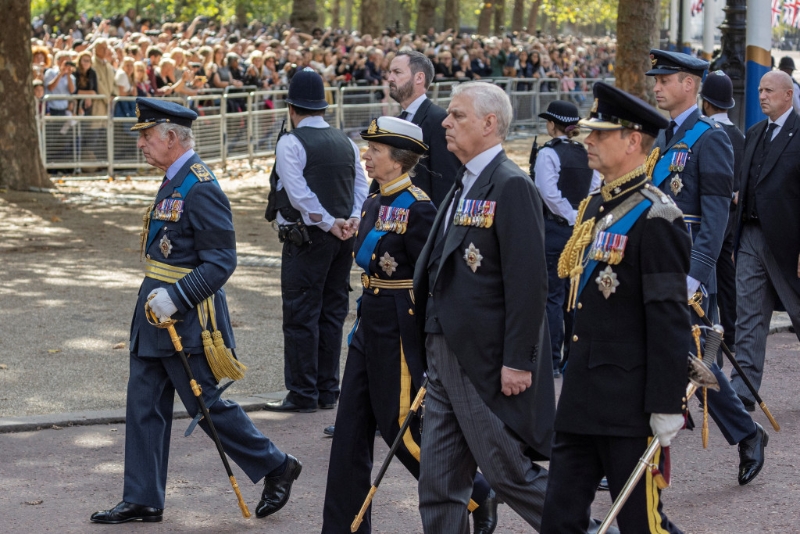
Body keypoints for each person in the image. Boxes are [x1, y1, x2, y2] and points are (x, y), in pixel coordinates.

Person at [90, 98, 301, 524]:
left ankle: (277, 465)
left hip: (185, 319)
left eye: (148, 136)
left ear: (171, 136)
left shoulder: (199, 185)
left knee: (206, 407)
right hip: (155, 314)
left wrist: (177, 297)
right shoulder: (175, 178)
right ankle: (143, 497)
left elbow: (221, 260)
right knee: (143, 405)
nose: (142, 144)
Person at [321, 117, 497, 534]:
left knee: (401, 428)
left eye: (375, 151)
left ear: (398, 160)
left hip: (400, 326)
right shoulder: (372, 198)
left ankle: (477, 492)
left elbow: (433, 280)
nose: (366, 156)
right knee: (349, 433)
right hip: (370, 320)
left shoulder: (419, 208)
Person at [540, 81, 688, 534]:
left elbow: (668, 318)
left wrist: (666, 405)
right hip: (584, 393)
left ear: (632, 141)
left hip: (629, 404)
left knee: (642, 525)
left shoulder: (657, 216)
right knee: (559, 520)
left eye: (601, 134)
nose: (589, 140)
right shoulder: (594, 208)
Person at [413, 81, 554, 532]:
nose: (445, 122)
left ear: (490, 124)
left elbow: (528, 282)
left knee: (509, 475)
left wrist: (518, 360)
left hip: (483, 358)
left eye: (457, 116)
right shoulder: (464, 182)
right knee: (438, 481)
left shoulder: (511, 185)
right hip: (444, 349)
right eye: (448, 115)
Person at [647, 49, 767, 486]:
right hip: (659, 265)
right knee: (673, 359)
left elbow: (716, 218)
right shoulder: (665, 137)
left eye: (667, 78)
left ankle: (747, 433)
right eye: (656, 79)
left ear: (690, 86)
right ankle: (634, 450)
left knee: (694, 361)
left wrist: (695, 275)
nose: (657, 86)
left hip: (689, 270)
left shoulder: (709, 137)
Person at [264, 68, 368, 413]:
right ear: (324, 107)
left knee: (301, 314)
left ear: (292, 108)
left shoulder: (291, 142)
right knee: (332, 312)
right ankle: (327, 389)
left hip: (308, 238)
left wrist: (328, 222)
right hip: (342, 240)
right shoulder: (346, 142)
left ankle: (303, 393)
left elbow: (299, 195)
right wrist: (351, 220)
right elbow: (361, 187)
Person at [733, 70, 800, 420]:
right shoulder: (755, 133)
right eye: (759, 90)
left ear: (788, 95)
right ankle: (742, 391)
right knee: (748, 317)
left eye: (769, 91)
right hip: (751, 236)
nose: (761, 96)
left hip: (789, 243)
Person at [532, 100, 600, 377]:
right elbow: (595, 189)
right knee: (576, 295)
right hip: (582, 231)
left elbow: (547, 193)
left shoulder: (548, 154)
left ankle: (551, 359)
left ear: (552, 124)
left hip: (557, 229)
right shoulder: (585, 153)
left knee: (553, 297)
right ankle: (572, 359)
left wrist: (569, 216)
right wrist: (580, 217)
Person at [700, 71, 745, 353]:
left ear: (706, 102)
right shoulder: (740, 136)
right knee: (727, 277)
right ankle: (730, 332)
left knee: (708, 277)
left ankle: (709, 334)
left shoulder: (706, 133)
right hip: (732, 214)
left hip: (709, 215)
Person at [387, 50, 462, 207]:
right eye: (390, 72)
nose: (390, 78)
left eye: (397, 72)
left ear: (419, 78)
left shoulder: (438, 120)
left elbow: (445, 182)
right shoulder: (398, 121)